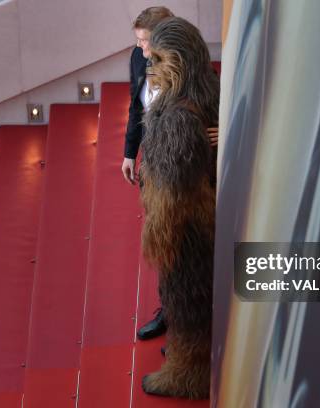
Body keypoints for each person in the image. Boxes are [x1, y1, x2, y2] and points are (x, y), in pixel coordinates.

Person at [139, 17, 219, 399]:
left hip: (185, 233)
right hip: (194, 230)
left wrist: (157, 233)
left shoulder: (178, 119)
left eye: (156, 59)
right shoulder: (195, 98)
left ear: (180, 61)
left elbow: (173, 193)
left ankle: (188, 375)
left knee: (187, 303)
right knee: (186, 302)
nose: (148, 68)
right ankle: (187, 357)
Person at [122, 6, 175, 342]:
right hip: (153, 163)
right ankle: (169, 311)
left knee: (177, 241)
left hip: (180, 163)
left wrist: (216, 128)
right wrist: (130, 152)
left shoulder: (183, 63)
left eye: (144, 42)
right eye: (138, 41)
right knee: (160, 237)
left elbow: (207, 102)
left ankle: (181, 317)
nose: (140, 49)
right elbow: (136, 107)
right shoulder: (138, 58)